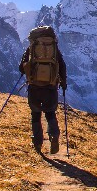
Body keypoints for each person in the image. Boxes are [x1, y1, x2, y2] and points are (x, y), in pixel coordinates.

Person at [18, 25, 67, 154]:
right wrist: (63, 82)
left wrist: (28, 70)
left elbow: (21, 67)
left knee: (35, 114)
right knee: (50, 112)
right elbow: (62, 65)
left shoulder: (32, 48)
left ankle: (38, 142)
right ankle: (54, 135)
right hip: (50, 86)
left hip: (34, 85)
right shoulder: (54, 49)